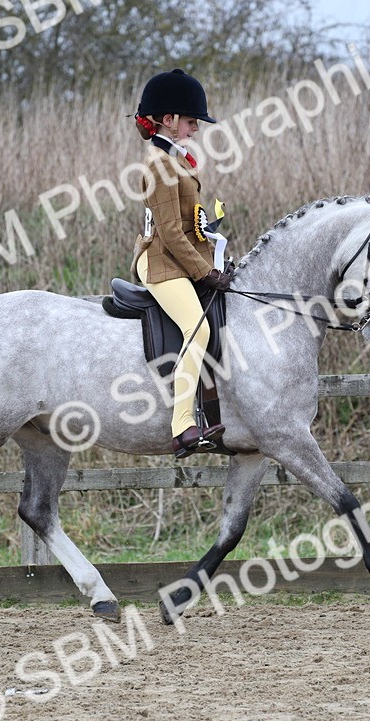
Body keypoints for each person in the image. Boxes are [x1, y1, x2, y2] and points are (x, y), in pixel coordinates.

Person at [130, 69, 233, 459]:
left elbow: (185, 221)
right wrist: (205, 272)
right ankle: (183, 426)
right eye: (192, 121)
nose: (196, 128)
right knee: (198, 327)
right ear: (168, 119)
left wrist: (210, 232)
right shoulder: (158, 162)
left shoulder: (174, 157)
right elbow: (170, 234)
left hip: (179, 256)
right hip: (160, 261)